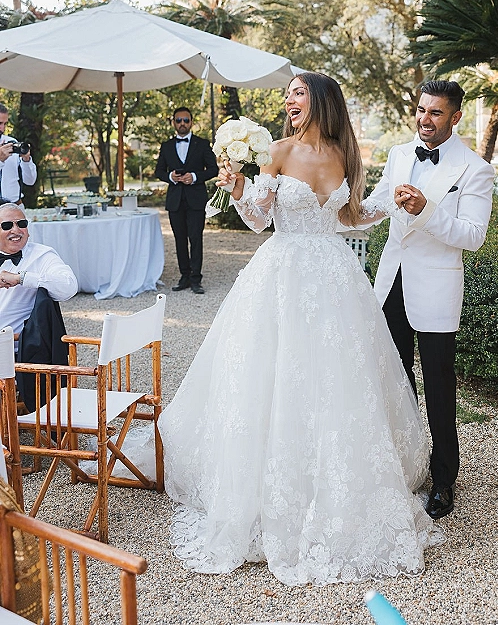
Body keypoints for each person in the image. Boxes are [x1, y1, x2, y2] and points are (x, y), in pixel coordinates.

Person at [155, 72, 443, 587]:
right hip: (281, 275)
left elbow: (351, 216)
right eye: (286, 93)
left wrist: (388, 204)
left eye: (298, 92)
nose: (288, 100)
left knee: (336, 384)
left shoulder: (346, 154)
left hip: (334, 279)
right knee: (274, 378)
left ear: (322, 101)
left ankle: (338, 489)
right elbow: (258, 221)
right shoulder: (279, 151)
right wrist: (240, 189)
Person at [367, 80, 495, 520]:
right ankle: (404, 466)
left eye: (436, 113)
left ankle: (444, 481)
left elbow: (472, 237)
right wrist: (331, 210)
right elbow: (377, 206)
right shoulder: (400, 154)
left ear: (455, 117)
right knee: (396, 378)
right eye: (421, 110)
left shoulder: (475, 169)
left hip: (437, 287)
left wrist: (427, 210)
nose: (425, 119)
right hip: (392, 282)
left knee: (439, 387)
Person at [154, 107, 218, 295]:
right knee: (179, 240)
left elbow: (213, 169)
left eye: (186, 120)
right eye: (179, 120)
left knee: (196, 239)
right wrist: (171, 177)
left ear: (191, 122)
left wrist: (195, 176)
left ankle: (196, 279)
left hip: (196, 200)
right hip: (175, 200)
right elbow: (159, 171)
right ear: (173, 122)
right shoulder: (166, 146)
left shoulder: (203, 144)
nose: (182, 123)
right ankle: (184, 276)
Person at [0, 203, 78, 341]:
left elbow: (69, 286)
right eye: (7, 226)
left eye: (21, 224)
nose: (16, 230)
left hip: (18, 348)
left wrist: (22, 278)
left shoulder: (42, 255)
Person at [0, 104, 37, 206]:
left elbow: (30, 181)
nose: (2, 129)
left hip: (15, 207)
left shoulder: (11, 143)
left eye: (5, 124)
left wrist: (26, 160)